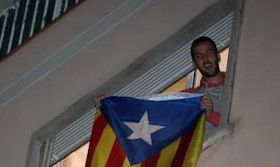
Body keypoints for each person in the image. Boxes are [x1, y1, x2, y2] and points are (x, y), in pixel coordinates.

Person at [94, 36, 225, 128]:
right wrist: (111, 106)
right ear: (194, 64)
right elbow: (149, 110)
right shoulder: (190, 98)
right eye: (199, 56)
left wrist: (211, 116)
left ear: (217, 56)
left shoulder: (237, 82)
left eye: (209, 52)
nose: (205, 58)